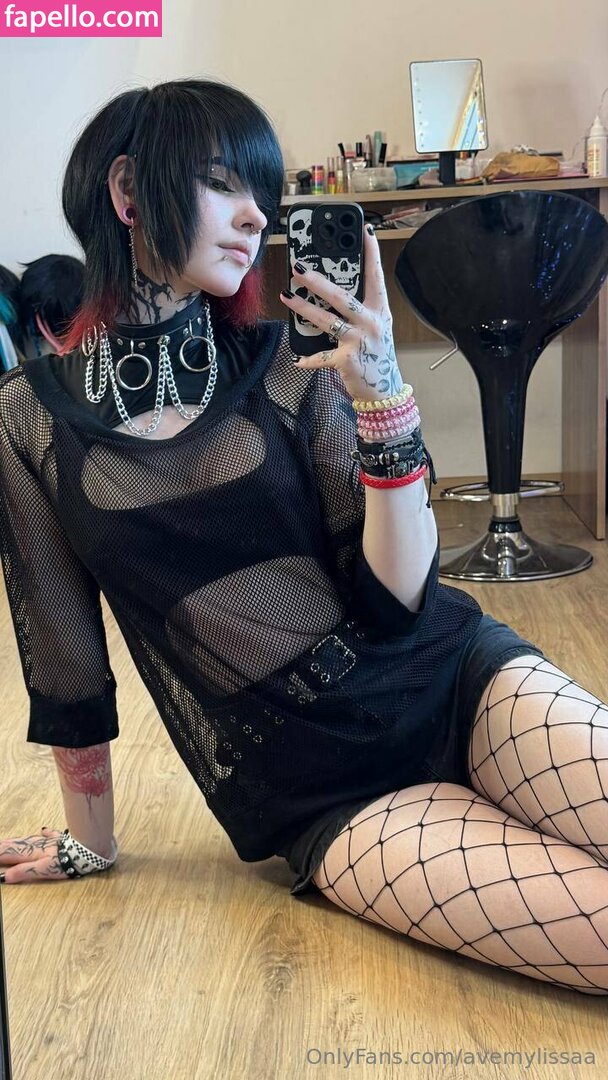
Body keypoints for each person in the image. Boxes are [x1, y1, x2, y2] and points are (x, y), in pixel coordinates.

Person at [1, 79, 608, 998]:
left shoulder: (294, 364)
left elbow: (399, 603)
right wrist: (91, 841)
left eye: (262, 193)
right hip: (319, 784)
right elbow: (66, 657)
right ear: (127, 192)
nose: (257, 216)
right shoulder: (28, 418)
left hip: (451, 678)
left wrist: (383, 396)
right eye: (222, 184)